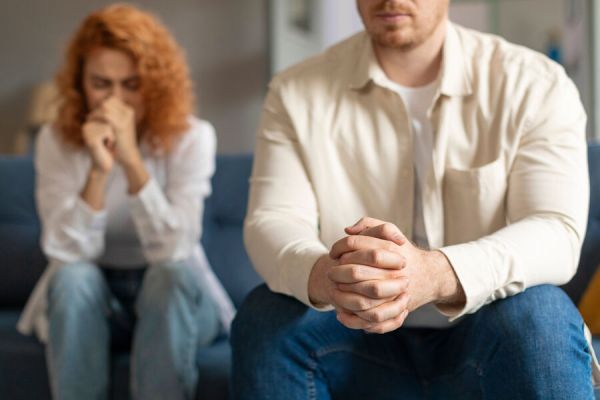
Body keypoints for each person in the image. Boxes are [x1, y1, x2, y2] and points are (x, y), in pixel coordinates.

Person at [233, 0, 600, 398]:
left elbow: (555, 231)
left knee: (541, 313)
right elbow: (273, 219)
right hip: (350, 336)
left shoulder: (535, 84)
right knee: (265, 314)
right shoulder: (294, 91)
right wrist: (328, 277)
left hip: (485, 333)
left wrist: (433, 273)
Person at [17, 4, 234, 400]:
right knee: (72, 278)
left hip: (173, 300)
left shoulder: (193, 137)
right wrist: (99, 170)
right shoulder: (55, 140)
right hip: (94, 300)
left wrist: (132, 160)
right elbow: (65, 252)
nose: (115, 100)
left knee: (169, 276)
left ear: (154, 85)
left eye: (131, 85)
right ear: (80, 84)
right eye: (101, 84)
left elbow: (174, 249)